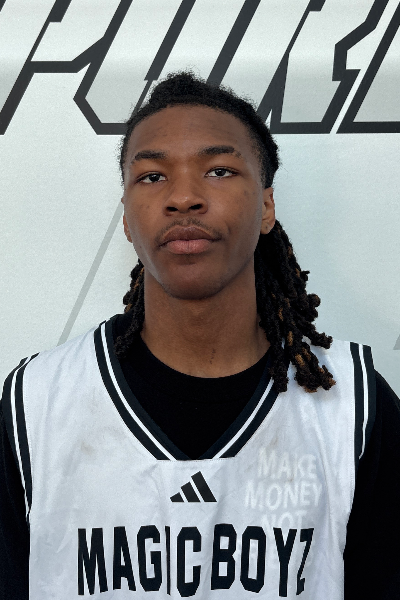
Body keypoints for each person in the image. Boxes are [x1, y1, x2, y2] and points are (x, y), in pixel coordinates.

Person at [1, 71, 400, 600]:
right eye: (152, 176)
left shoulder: (353, 406)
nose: (184, 197)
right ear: (127, 218)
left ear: (266, 207)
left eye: (218, 170)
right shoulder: (36, 404)